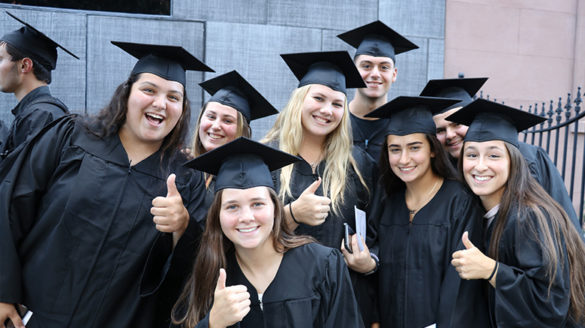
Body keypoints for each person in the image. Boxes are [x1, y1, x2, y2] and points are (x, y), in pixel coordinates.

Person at [0, 41, 213, 328]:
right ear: (127, 93)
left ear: (183, 109)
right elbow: (10, 203)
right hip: (33, 318)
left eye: (173, 97)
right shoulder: (70, 137)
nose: (160, 103)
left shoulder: (186, 180)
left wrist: (183, 229)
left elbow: (198, 269)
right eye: (149, 90)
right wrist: (3, 293)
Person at [173, 137, 363, 327]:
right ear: (217, 216)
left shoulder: (323, 266)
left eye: (257, 204)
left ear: (275, 208)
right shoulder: (209, 274)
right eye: (232, 206)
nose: (246, 217)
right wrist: (212, 323)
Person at [261, 51, 379, 326]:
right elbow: (245, 231)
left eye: (338, 103)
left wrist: (370, 260)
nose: (327, 110)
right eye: (318, 98)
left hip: (343, 300)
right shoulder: (267, 159)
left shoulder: (359, 164)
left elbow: (378, 228)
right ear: (299, 100)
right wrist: (291, 214)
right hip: (280, 298)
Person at [449, 99, 585, 327]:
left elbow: (550, 304)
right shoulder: (486, 213)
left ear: (514, 162)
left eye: (493, 156)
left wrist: (491, 270)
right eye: (471, 155)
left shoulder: (529, 217)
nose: (480, 166)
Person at [365, 95, 488, 328]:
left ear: (432, 149)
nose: (404, 159)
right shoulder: (388, 204)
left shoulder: (460, 202)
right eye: (395, 149)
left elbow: (461, 285)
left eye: (414, 148)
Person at [421, 78, 583, 232]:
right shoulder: (442, 170)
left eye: (456, 124)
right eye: (440, 130)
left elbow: (563, 218)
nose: (449, 135)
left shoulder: (529, 158)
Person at [188, 70, 278, 227]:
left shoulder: (250, 181)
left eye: (227, 120)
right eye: (211, 116)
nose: (215, 126)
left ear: (242, 131)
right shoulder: (181, 167)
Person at [0, 12, 78, 159]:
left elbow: (24, 179)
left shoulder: (41, 116)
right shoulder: (36, 113)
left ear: (25, 65)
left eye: (0, 59)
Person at [337, 20, 418, 161]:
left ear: (394, 74)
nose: (375, 74)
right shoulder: (335, 122)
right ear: (353, 71)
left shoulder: (403, 129)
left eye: (384, 67)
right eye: (366, 66)